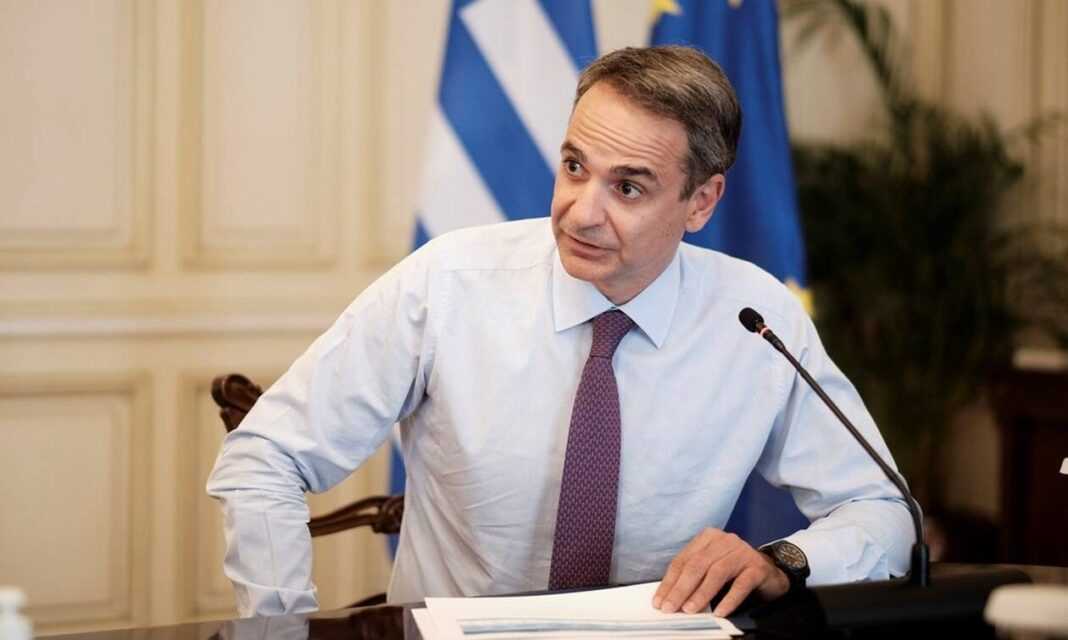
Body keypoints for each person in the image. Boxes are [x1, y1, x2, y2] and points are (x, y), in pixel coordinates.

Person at [207, 45, 914, 619]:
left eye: (627, 187)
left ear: (701, 202)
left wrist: (783, 561)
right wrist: (280, 626)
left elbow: (883, 511)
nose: (579, 212)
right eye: (574, 166)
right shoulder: (448, 283)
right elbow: (266, 455)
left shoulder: (754, 318)